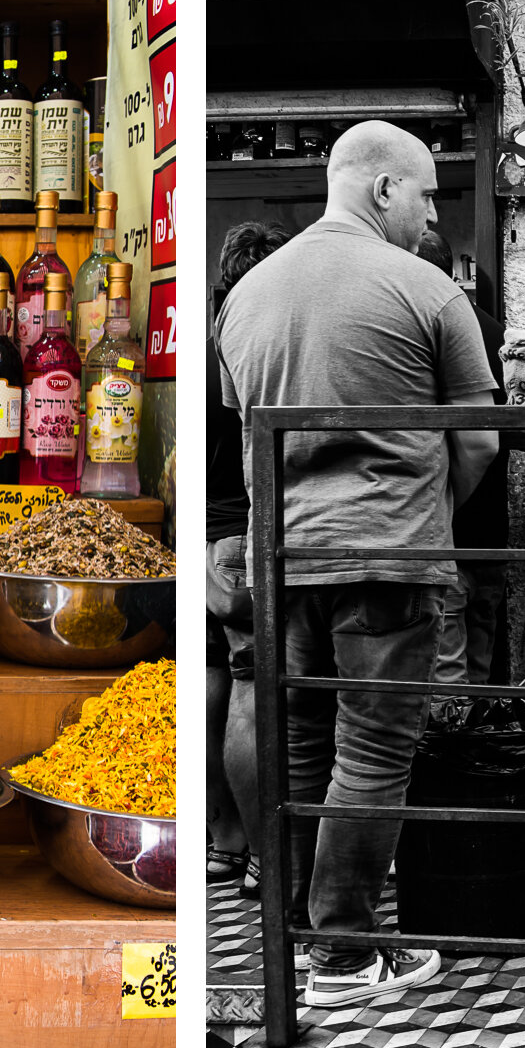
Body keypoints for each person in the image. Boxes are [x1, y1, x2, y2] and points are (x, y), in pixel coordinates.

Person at [215, 121, 497, 1008]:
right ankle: (342, 954)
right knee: (375, 747)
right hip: (386, 553)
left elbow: (244, 428)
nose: (431, 212)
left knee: (298, 743)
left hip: (282, 556)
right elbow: (482, 441)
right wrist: (427, 515)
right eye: (424, 194)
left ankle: (296, 940)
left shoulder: (245, 298)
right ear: (382, 190)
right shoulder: (427, 290)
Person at [207, 220, 290, 889]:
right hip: (243, 534)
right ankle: (266, 854)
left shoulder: (204, 339)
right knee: (251, 691)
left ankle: (224, 843)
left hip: (202, 537)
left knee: (210, 687)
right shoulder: (258, 341)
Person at [415, 228, 504, 715]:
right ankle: (480, 774)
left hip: (443, 532)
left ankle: (456, 779)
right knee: (481, 677)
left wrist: (445, 507)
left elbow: (479, 444)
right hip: (491, 534)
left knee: (444, 687)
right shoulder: (498, 333)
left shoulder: (421, 326)